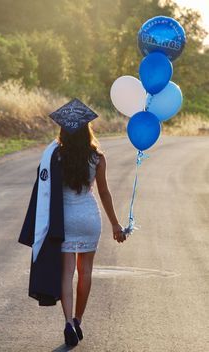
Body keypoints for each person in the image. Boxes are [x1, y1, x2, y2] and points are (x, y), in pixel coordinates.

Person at [50, 99, 126, 346]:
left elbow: (46, 191)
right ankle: (78, 319)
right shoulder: (97, 158)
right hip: (89, 218)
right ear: (87, 130)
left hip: (66, 220)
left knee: (66, 273)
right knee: (85, 273)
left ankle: (68, 323)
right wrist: (115, 224)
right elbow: (104, 192)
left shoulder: (56, 157)